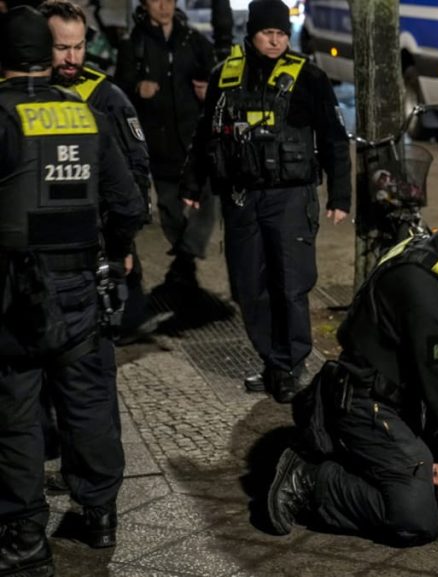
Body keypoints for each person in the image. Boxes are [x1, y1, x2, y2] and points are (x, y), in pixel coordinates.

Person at [265, 189, 438, 546]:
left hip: (389, 396)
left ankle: (364, 460)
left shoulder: (429, 253)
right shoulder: (426, 287)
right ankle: (310, 479)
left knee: (435, 479)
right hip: (367, 402)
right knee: (416, 519)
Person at [0, 6, 145, 575]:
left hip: (13, 295)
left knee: (15, 411)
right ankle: (99, 512)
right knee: (88, 402)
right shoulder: (84, 114)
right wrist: (116, 244)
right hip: (82, 288)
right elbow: (128, 202)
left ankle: (24, 537)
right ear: (45, 53)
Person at [180, 0, 353, 403]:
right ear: (251, 33)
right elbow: (206, 135)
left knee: (290, 285)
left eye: (281, 33)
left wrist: (340, 195)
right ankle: (271, 361)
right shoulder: (225, 76)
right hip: (241, 199)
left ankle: (292, 365)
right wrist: (192, 184)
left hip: (290, 199)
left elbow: (333, 139)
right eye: (267, 33)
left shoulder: (308, 77)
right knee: (248, 287)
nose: (275, 41)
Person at [40, 0, 169, 344]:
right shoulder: (24, 94)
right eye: (62, 48)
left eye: (78, 47)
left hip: (95, 243)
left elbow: (136, 171)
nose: (72, 58)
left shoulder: (105, 97)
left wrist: (123, 245)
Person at [114, 0, 215, 286]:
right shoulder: (134, 44)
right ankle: (185, 261)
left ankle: (187, 252)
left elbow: (214, 76)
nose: (164, 6)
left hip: (194, 139)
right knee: (169, 207)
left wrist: (206, 89)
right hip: (158, 142)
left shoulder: (192, 40)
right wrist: (137, 88)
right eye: (157, 0)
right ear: (145, 5)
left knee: (208, 198)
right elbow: (119, 89)